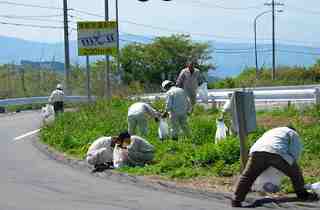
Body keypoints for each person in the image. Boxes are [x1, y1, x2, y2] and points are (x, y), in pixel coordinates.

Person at [232, 126, 318, 207]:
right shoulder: (292, 132)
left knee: (248, 176)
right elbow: (295, 151)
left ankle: (236, 200)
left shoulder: (271, 131)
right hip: (276, 152)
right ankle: (302, 194)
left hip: (256, 152)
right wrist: (293, 165)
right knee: (296, 173)